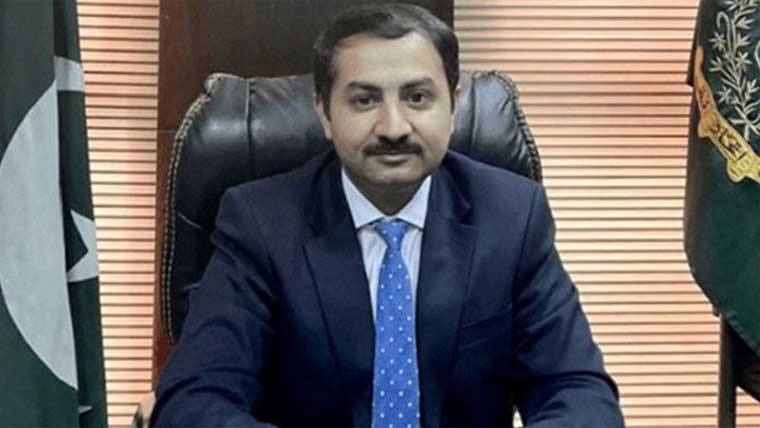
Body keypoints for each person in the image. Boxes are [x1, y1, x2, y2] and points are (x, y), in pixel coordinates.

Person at [152, 3, 624, 427]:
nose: (394, 128)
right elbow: (193, 400)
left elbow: (579, 394)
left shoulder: (512, 216)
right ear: (324, 113)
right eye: (365, 100)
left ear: (454, 106)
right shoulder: (260, 223)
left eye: (417, 98)